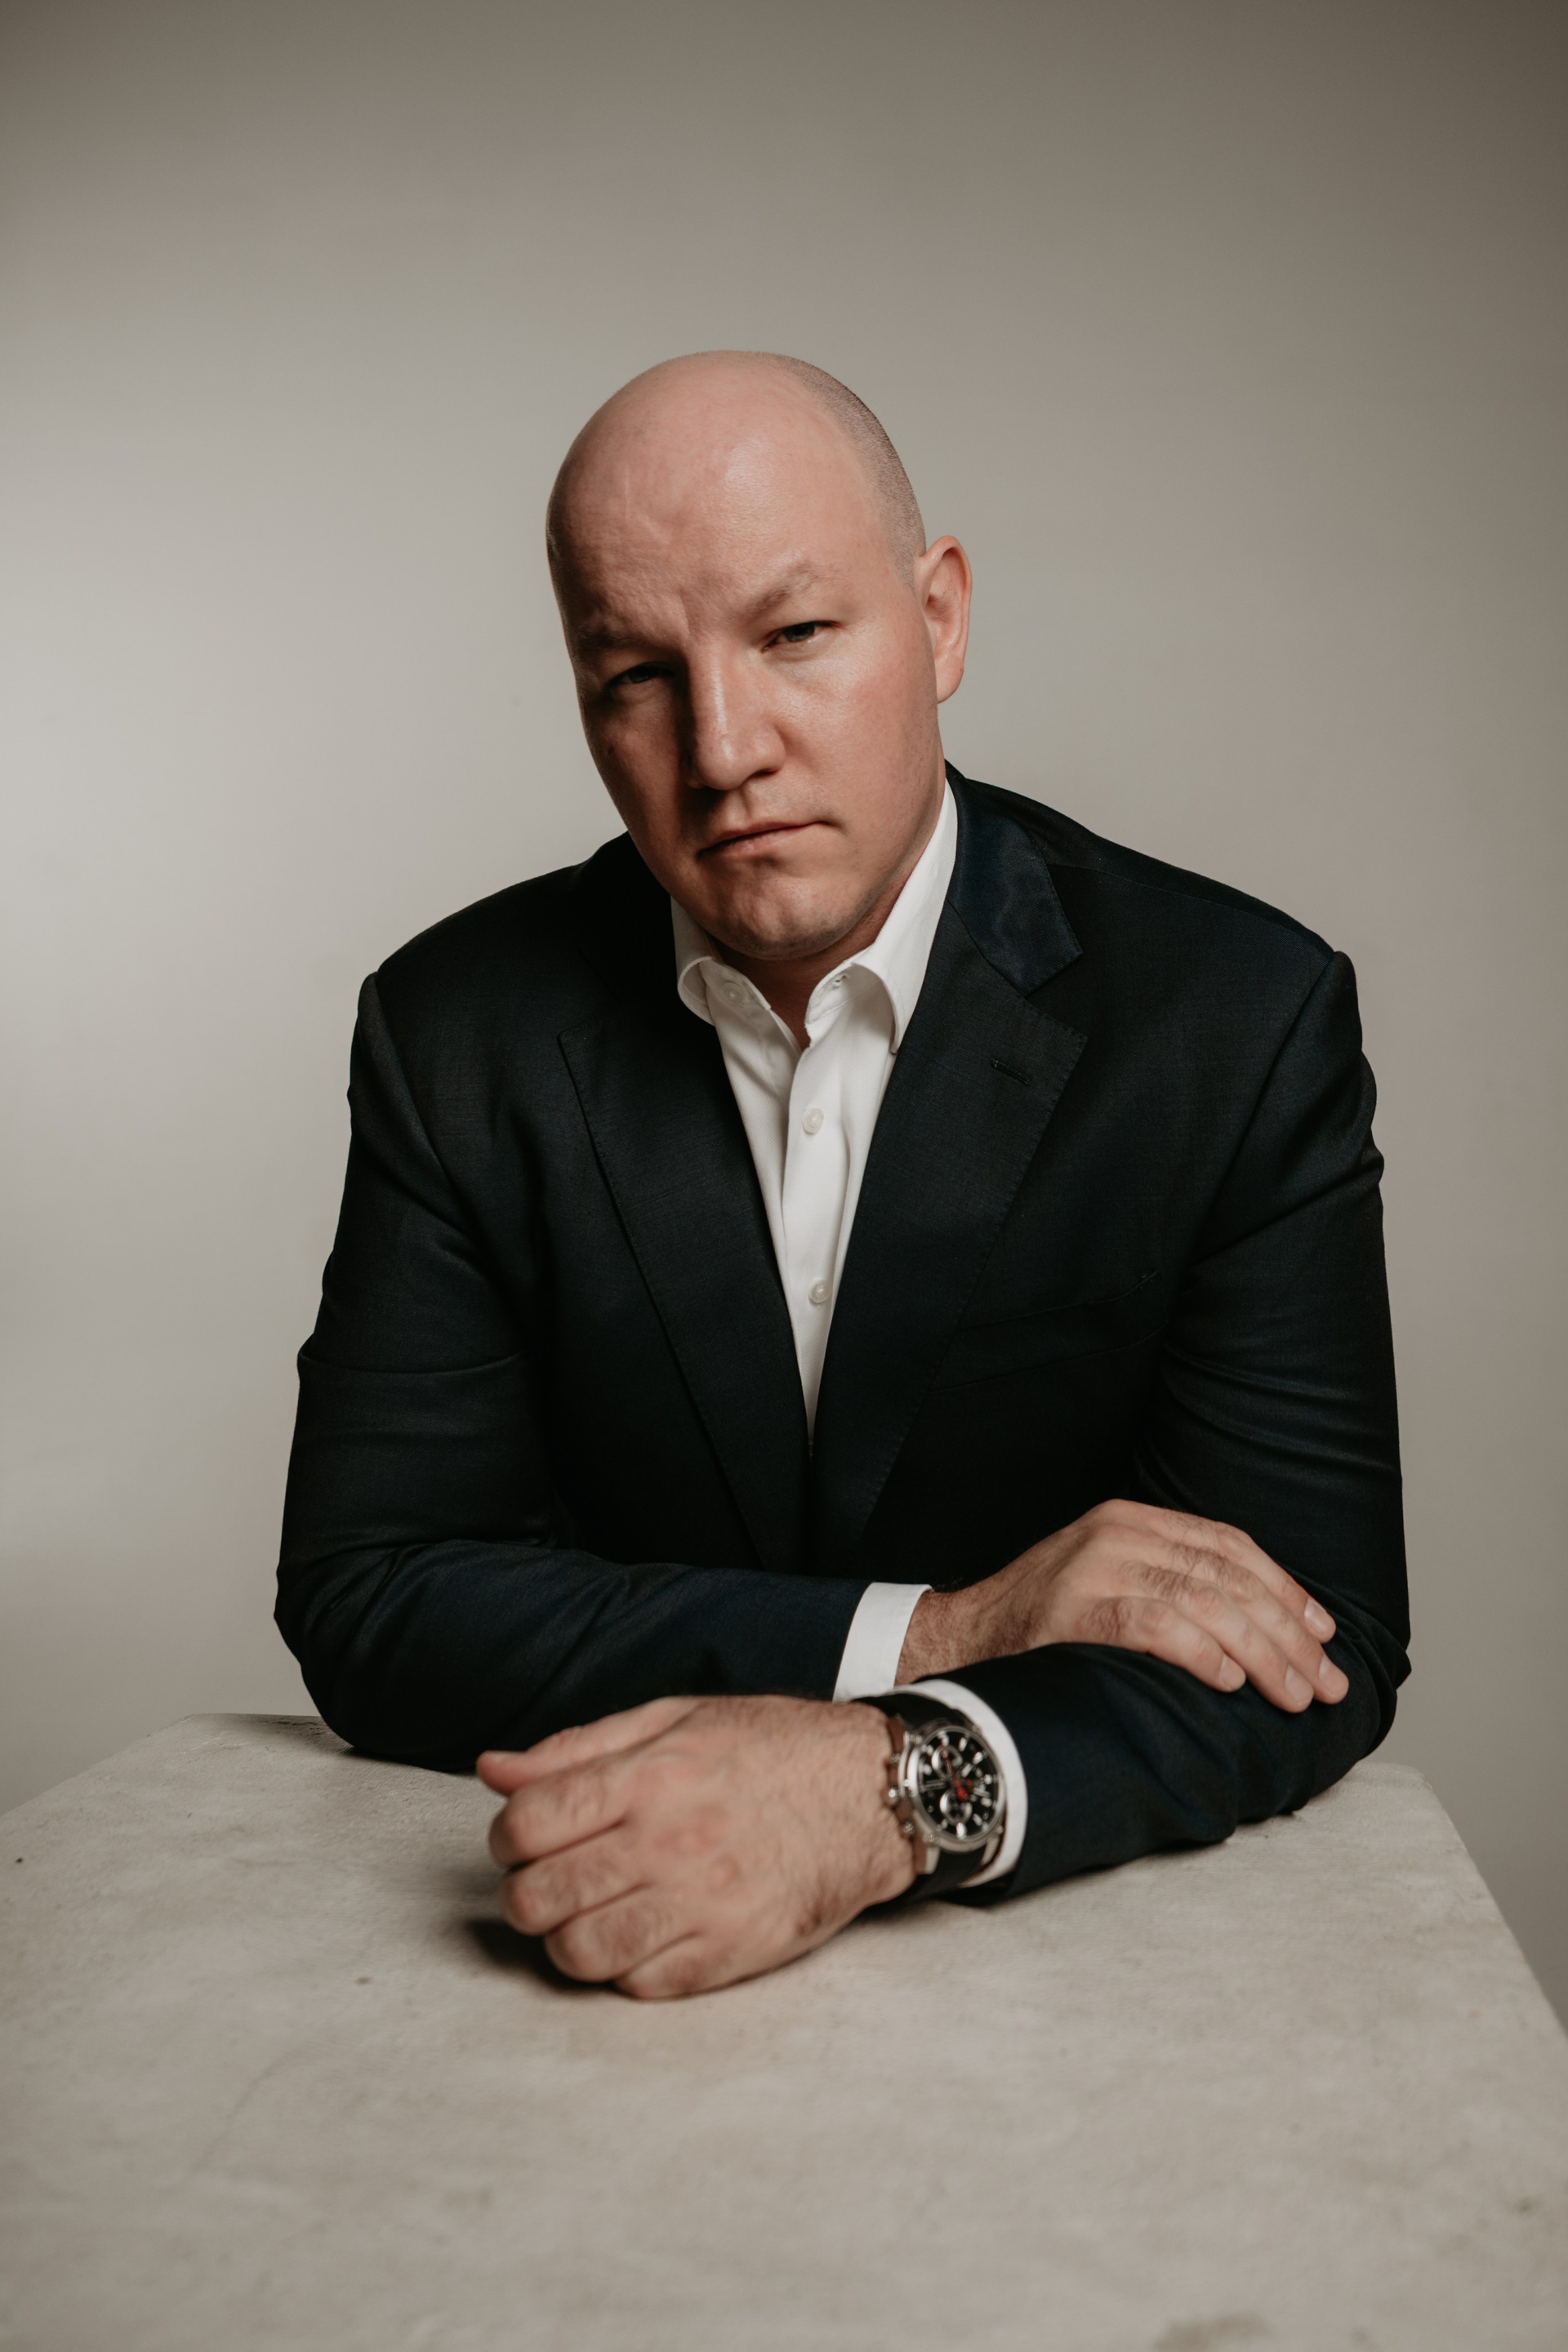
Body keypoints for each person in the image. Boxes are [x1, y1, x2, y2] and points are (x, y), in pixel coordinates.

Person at [277, 350, 1408, 2000]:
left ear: (939, 619)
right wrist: (944, 1636)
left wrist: (889, 1792)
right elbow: (375, 1594)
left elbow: (1310, 1638)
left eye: (795, 633)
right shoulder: (457, 1032)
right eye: (634, 673)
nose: (723, 747)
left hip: (1100, 2002)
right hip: (566, 1993)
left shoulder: (1233, 1020)